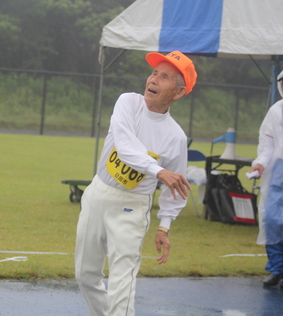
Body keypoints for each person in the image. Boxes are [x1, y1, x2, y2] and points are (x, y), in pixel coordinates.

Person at [75, 51, 197, 316]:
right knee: (85, 275)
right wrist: (158, 170)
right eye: (154, 72)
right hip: (98, 194)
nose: (153, 79)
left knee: (122, 282)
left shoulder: (176, 137)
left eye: (164, 76)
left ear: (179, 92)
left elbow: (176, 188)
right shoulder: (128, 103)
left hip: (132, 207)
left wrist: (164, 227)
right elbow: (125, 146)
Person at [248, 65, 283, 290]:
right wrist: (260, 164)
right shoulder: (275, 111)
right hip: (278, 174)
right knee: (272, 220)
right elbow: (267, 143)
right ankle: (276, 269)